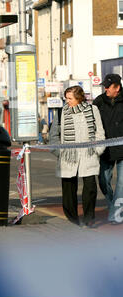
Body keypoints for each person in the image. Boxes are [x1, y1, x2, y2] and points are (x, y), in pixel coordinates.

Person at [49, 85, 105, 227]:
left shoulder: (93, 110)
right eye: (66, 98)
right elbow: (53, 135)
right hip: (68, 156)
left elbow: (99, 131)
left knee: (90, 188)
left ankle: (88, 218)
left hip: (89, 154)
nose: (67, 101)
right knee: (68, 189)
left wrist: (98, 149)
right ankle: (73, 219)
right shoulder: (61, 113)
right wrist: (59, 152)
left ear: (79, 98)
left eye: (70, 98)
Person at [93, 73, 123, 224]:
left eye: (108, 86)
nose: (105, 89)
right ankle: (113, 205)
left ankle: (116, 214)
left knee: (121, 183)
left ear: (117, 87)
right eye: (104, 86)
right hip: (105, 149)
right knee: (103, 181)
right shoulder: (99, 101)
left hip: (122, 149)